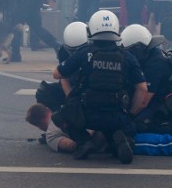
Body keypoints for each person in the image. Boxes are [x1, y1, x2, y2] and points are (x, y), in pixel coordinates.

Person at [52, 11, 147, 164]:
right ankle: (120, 141)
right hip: (117, 116)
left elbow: (57, 74)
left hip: (88, 115)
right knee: (122, 128)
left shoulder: (84, 53)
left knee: (60, 116)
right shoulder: (127, 56)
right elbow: (142, 88)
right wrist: (130, 112)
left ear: (91, 30)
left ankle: (84, 142)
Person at [25, 103, 172, 158]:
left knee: (168, 144)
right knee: (168, 140)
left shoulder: (52, 132)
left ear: (39, 124)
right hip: (122, 125)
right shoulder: (68, 107)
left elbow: (70, 146)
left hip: (117, 142)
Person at [120, 24, 172, 133]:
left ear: (138, 49)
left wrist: (128, 116)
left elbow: (143, 101)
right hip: (157, 97)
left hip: (170, 104)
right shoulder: (149, 56)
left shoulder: (156, 64)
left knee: (138, 125)